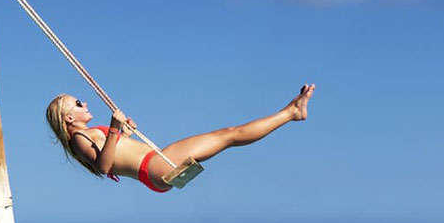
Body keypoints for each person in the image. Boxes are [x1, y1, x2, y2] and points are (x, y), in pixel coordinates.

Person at [45, 85, 315, 193]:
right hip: (154, 166)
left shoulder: (88, 134)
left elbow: (114, 154)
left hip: (153, 168)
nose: (84, 103)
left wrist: (124, 131)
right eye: (78, 103)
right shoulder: (79, 139)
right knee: (229, 135)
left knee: (228, 136)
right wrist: (115, 128)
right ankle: (291, 112)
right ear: (69, 118)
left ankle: (290, 113)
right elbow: (103, 168)